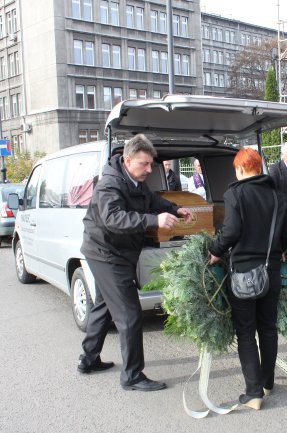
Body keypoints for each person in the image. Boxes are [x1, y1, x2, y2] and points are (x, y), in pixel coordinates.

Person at [79, 134, 193, 391]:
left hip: (115, 252)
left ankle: (88, 358)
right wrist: (155, 221)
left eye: (151, 164)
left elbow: (151, 201)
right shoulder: (110, 185)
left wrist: (175, 209)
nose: (149, 169)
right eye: (144, 164)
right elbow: (114, 219)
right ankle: (132, 376)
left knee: (103, 306)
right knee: (130, 315)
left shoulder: (134, 180)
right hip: (107, 254)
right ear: (128, 160)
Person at [208, 148, 287, 410]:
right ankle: (268, 383)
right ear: (259, 168)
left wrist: (215, 250)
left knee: (246, 332)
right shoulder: (277, 195)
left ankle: (254, 392)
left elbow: (232, 230)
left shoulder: (235, 193)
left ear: (240, 169)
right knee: (268, 327)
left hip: (244, 274)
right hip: (270, 270)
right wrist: (278, 249)